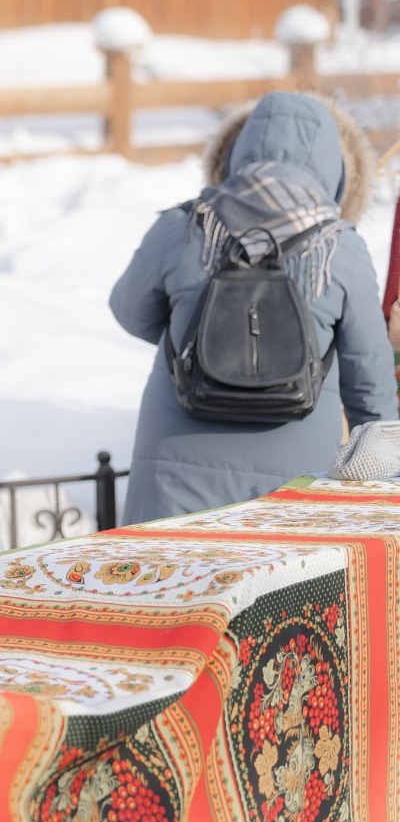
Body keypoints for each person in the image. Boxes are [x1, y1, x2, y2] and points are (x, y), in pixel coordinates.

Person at [110, 91, 396, 523]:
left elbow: (129, 311)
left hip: (174, 481)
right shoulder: (340, 249)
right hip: (295, 491)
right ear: (333, 168)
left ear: (238, 151)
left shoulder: (183, 225)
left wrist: (208, 341)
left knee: (168, 584)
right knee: (277, 587)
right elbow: (371, 393)